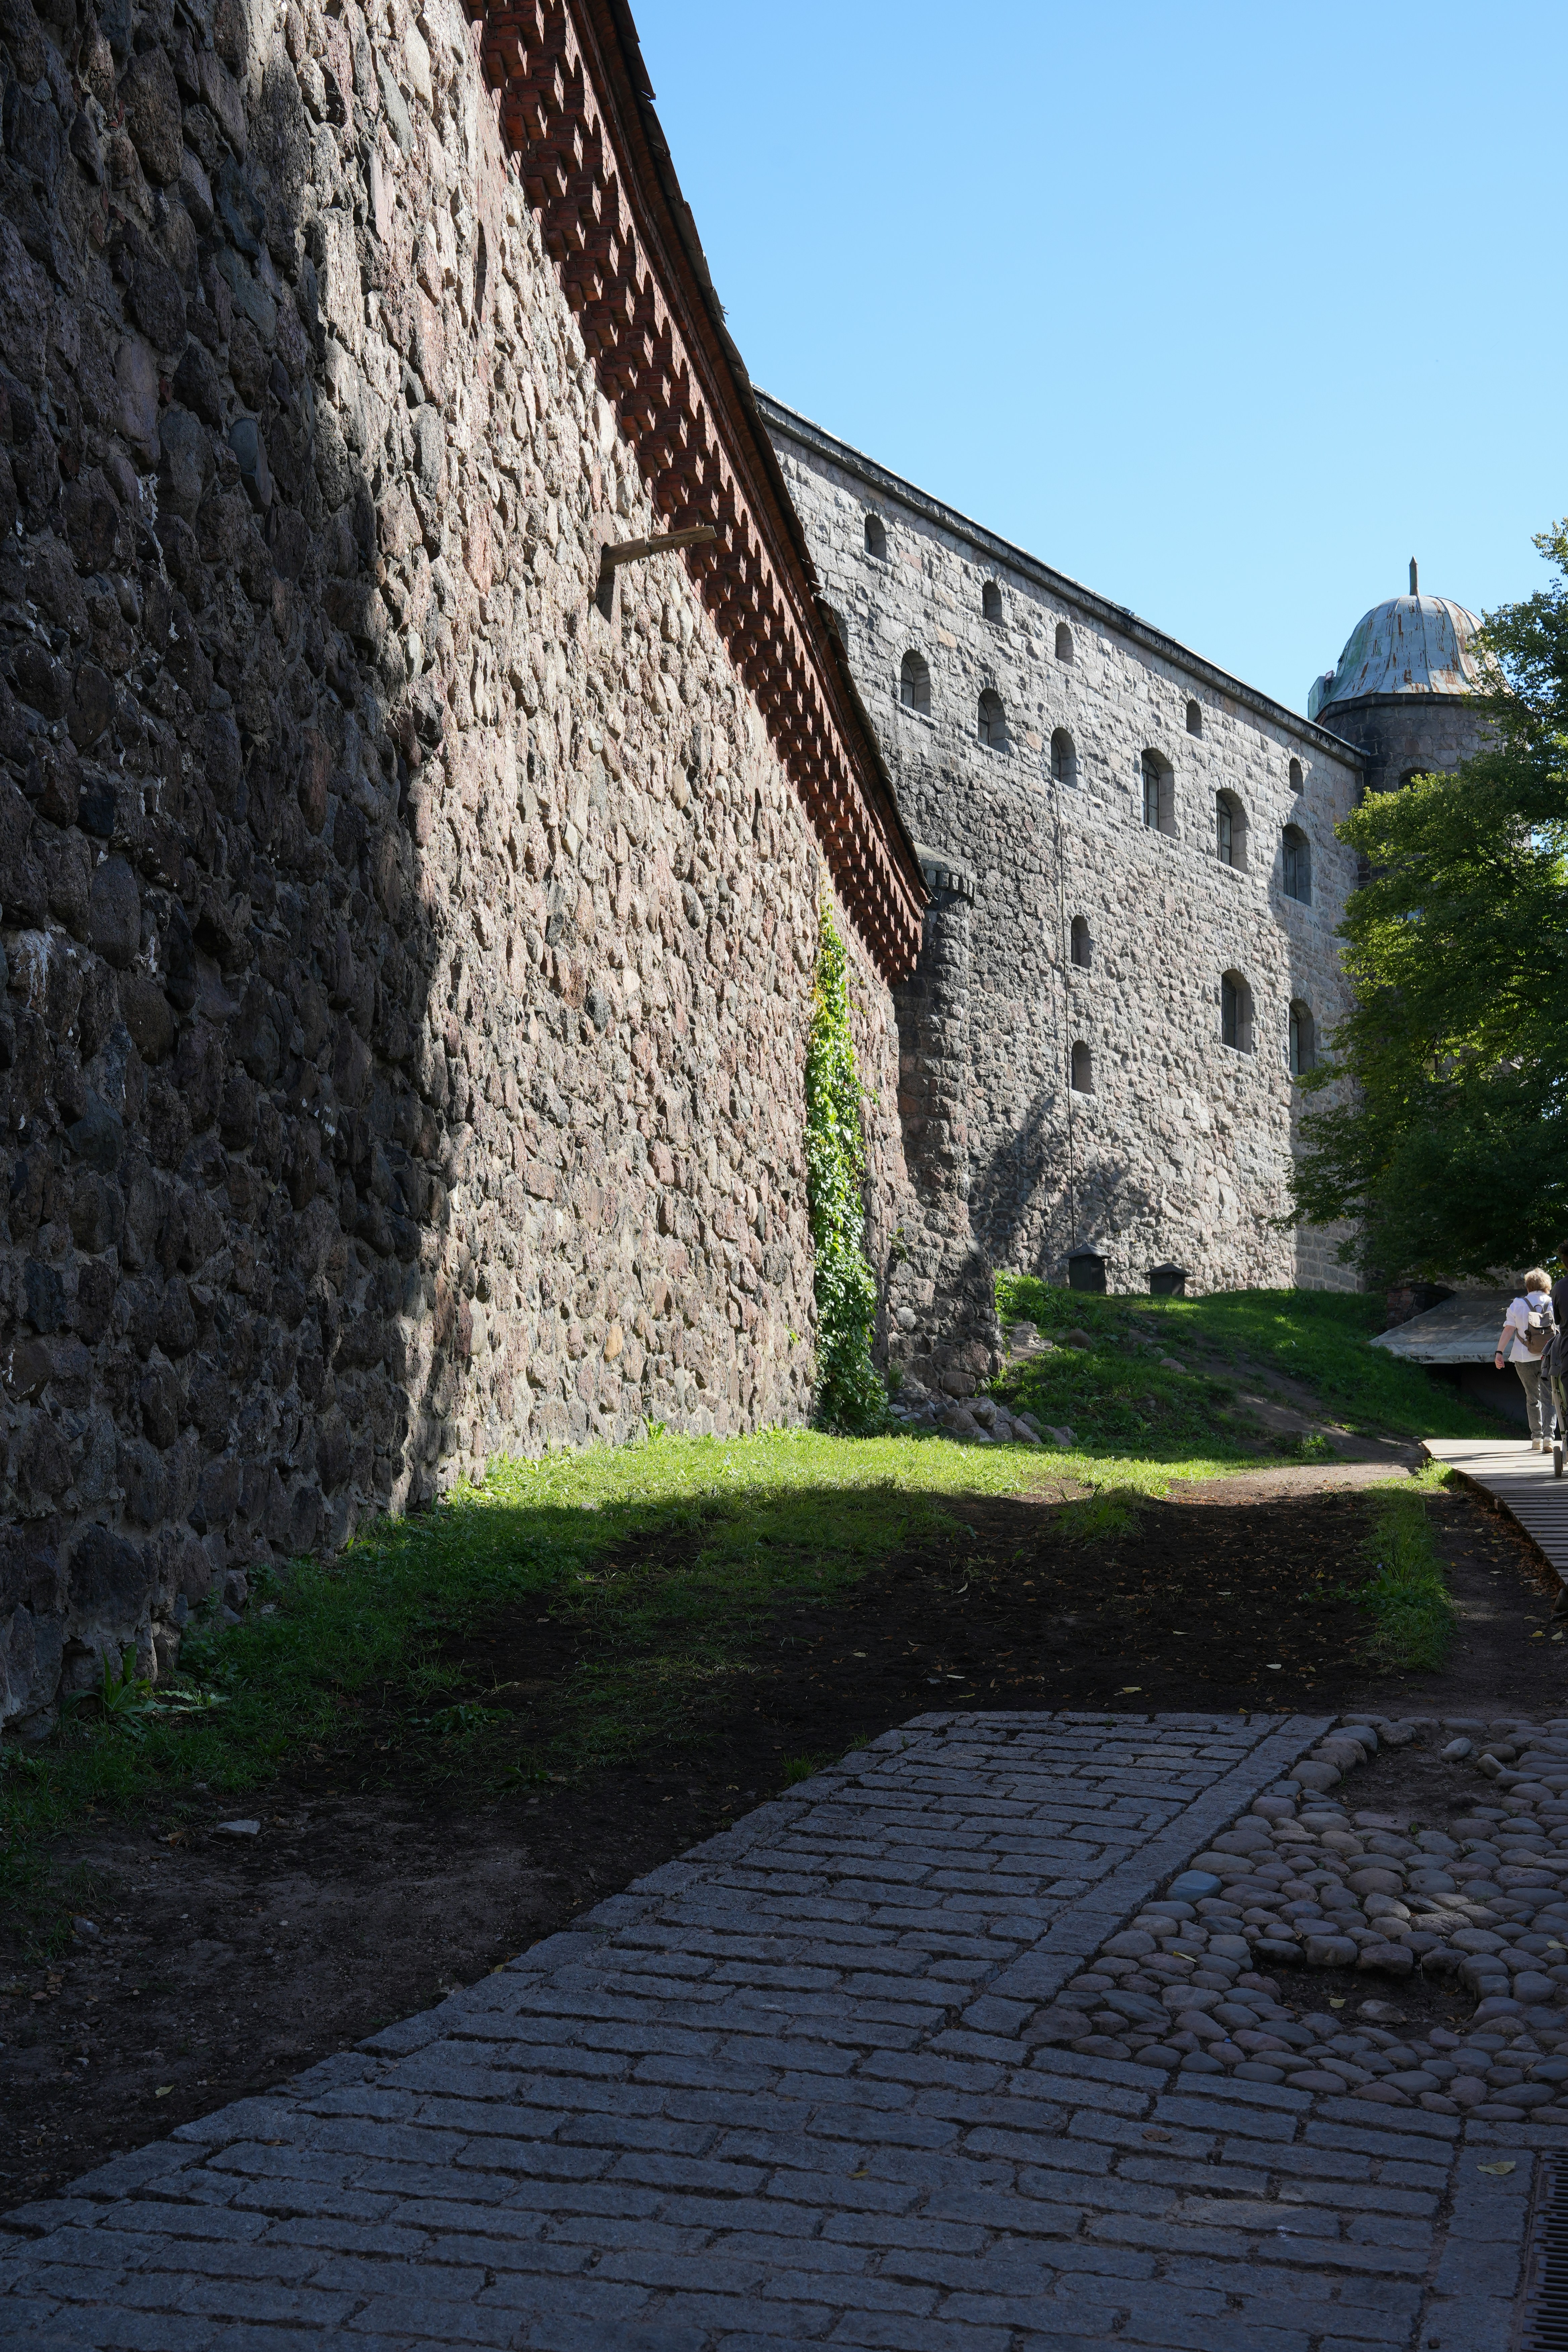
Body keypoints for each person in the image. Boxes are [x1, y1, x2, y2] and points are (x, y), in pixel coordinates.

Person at [1495, 1269, 1557, 1450]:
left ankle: (1536, 1439)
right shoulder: (1553, 1303)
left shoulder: (1518, 1304)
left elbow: (1508, 1330)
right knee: (1550, 1398)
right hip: (1548, 1356)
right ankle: (1549, 1438)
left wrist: (1499, 1352)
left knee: (1532, 1398)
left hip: (1523, 1358)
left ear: (1528, 1285)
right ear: (1547, 1285)